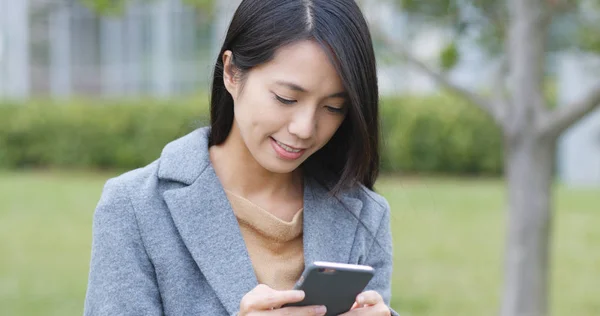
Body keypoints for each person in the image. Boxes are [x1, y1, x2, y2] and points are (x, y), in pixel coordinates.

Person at [84, 0, 398, 315]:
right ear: (232, 73)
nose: (304, 128)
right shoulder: (134, 207)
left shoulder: (363, 215)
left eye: (333, 107)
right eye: (286, 98)